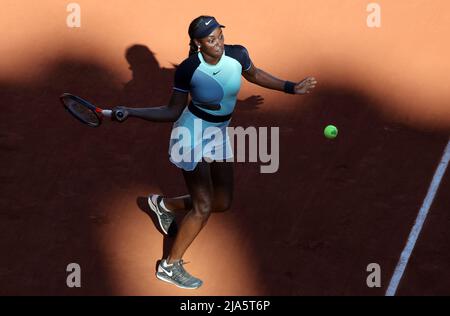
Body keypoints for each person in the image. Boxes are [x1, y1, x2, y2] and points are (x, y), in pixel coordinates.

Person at [112, 15, 317, 289]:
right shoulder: (188, 69)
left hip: (218, 133)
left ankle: (163, 205)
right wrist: (132, 112)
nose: (218, 43)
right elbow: (172, 110)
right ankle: (169, 266)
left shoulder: (237, 54)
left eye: (220, 35)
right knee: (204, 205)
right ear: (198, 44)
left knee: (222, 201)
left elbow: (254, 74)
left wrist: (291, 87)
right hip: (190, 135)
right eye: (211, 40)